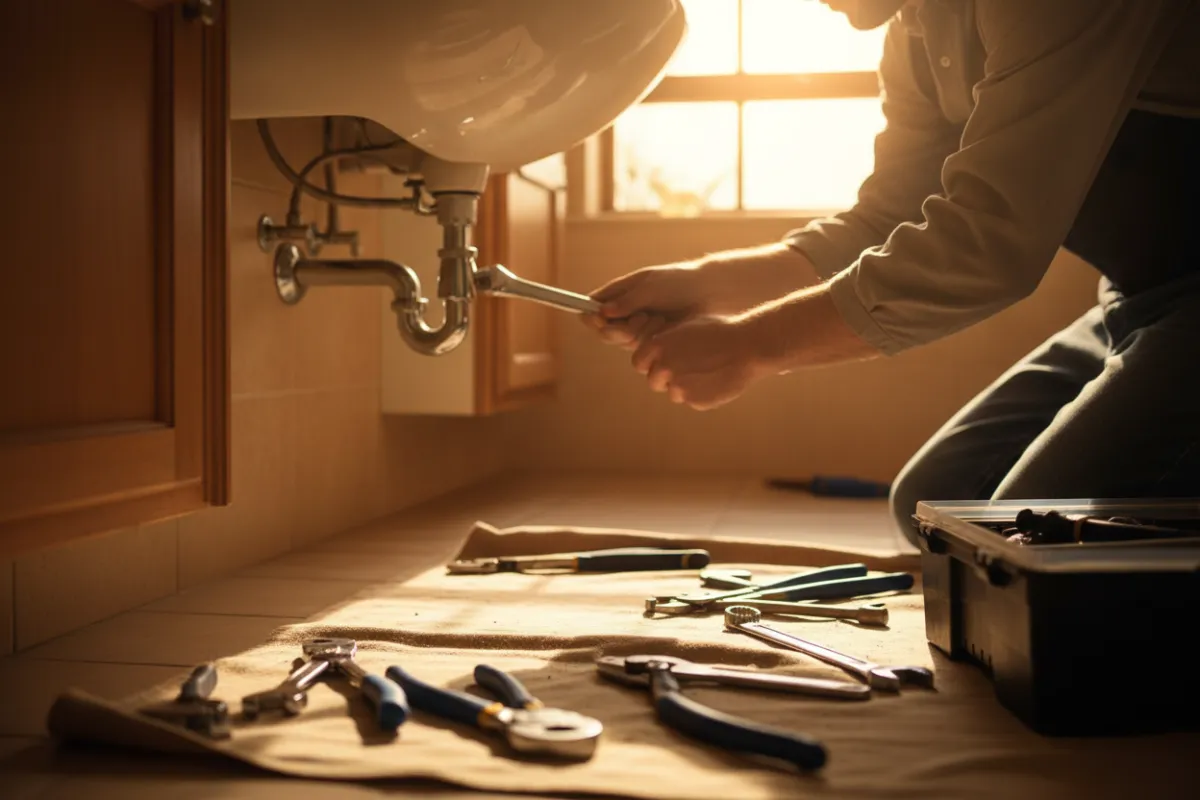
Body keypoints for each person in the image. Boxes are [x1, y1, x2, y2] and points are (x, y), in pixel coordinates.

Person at [582, 0, 1200, 546]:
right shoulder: (916, 30)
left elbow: (989, 244)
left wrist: (751, 345)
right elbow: (886, 220)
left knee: (1030, 542)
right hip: (1137, 300)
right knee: (936, 506)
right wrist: (706, 282)